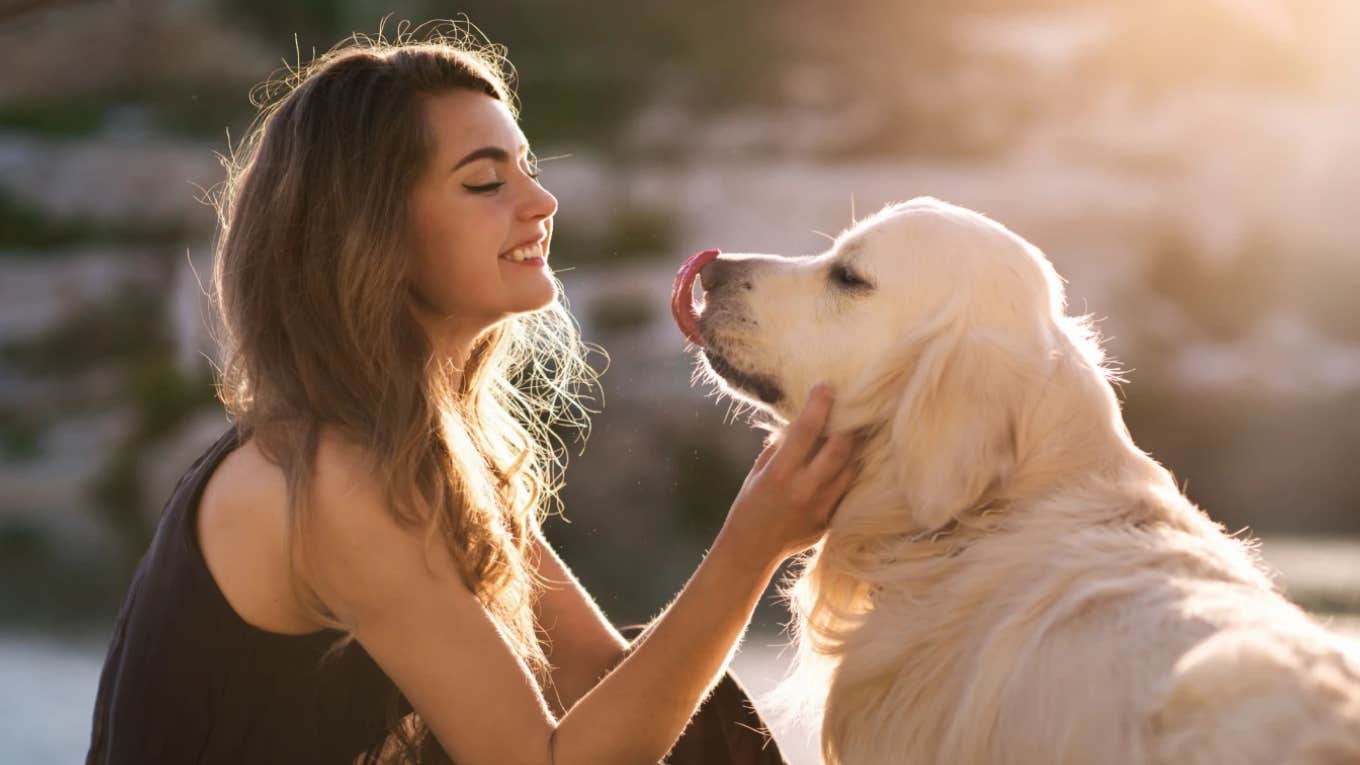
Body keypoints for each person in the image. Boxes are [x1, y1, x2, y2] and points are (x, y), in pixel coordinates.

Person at [86, 21, 858, 765]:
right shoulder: (329, 478)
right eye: (487, 181)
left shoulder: (422, 444)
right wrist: (751, 545)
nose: (541, 202)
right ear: (371, 232)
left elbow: (595, 675)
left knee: (699, 717)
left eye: (528, 167)